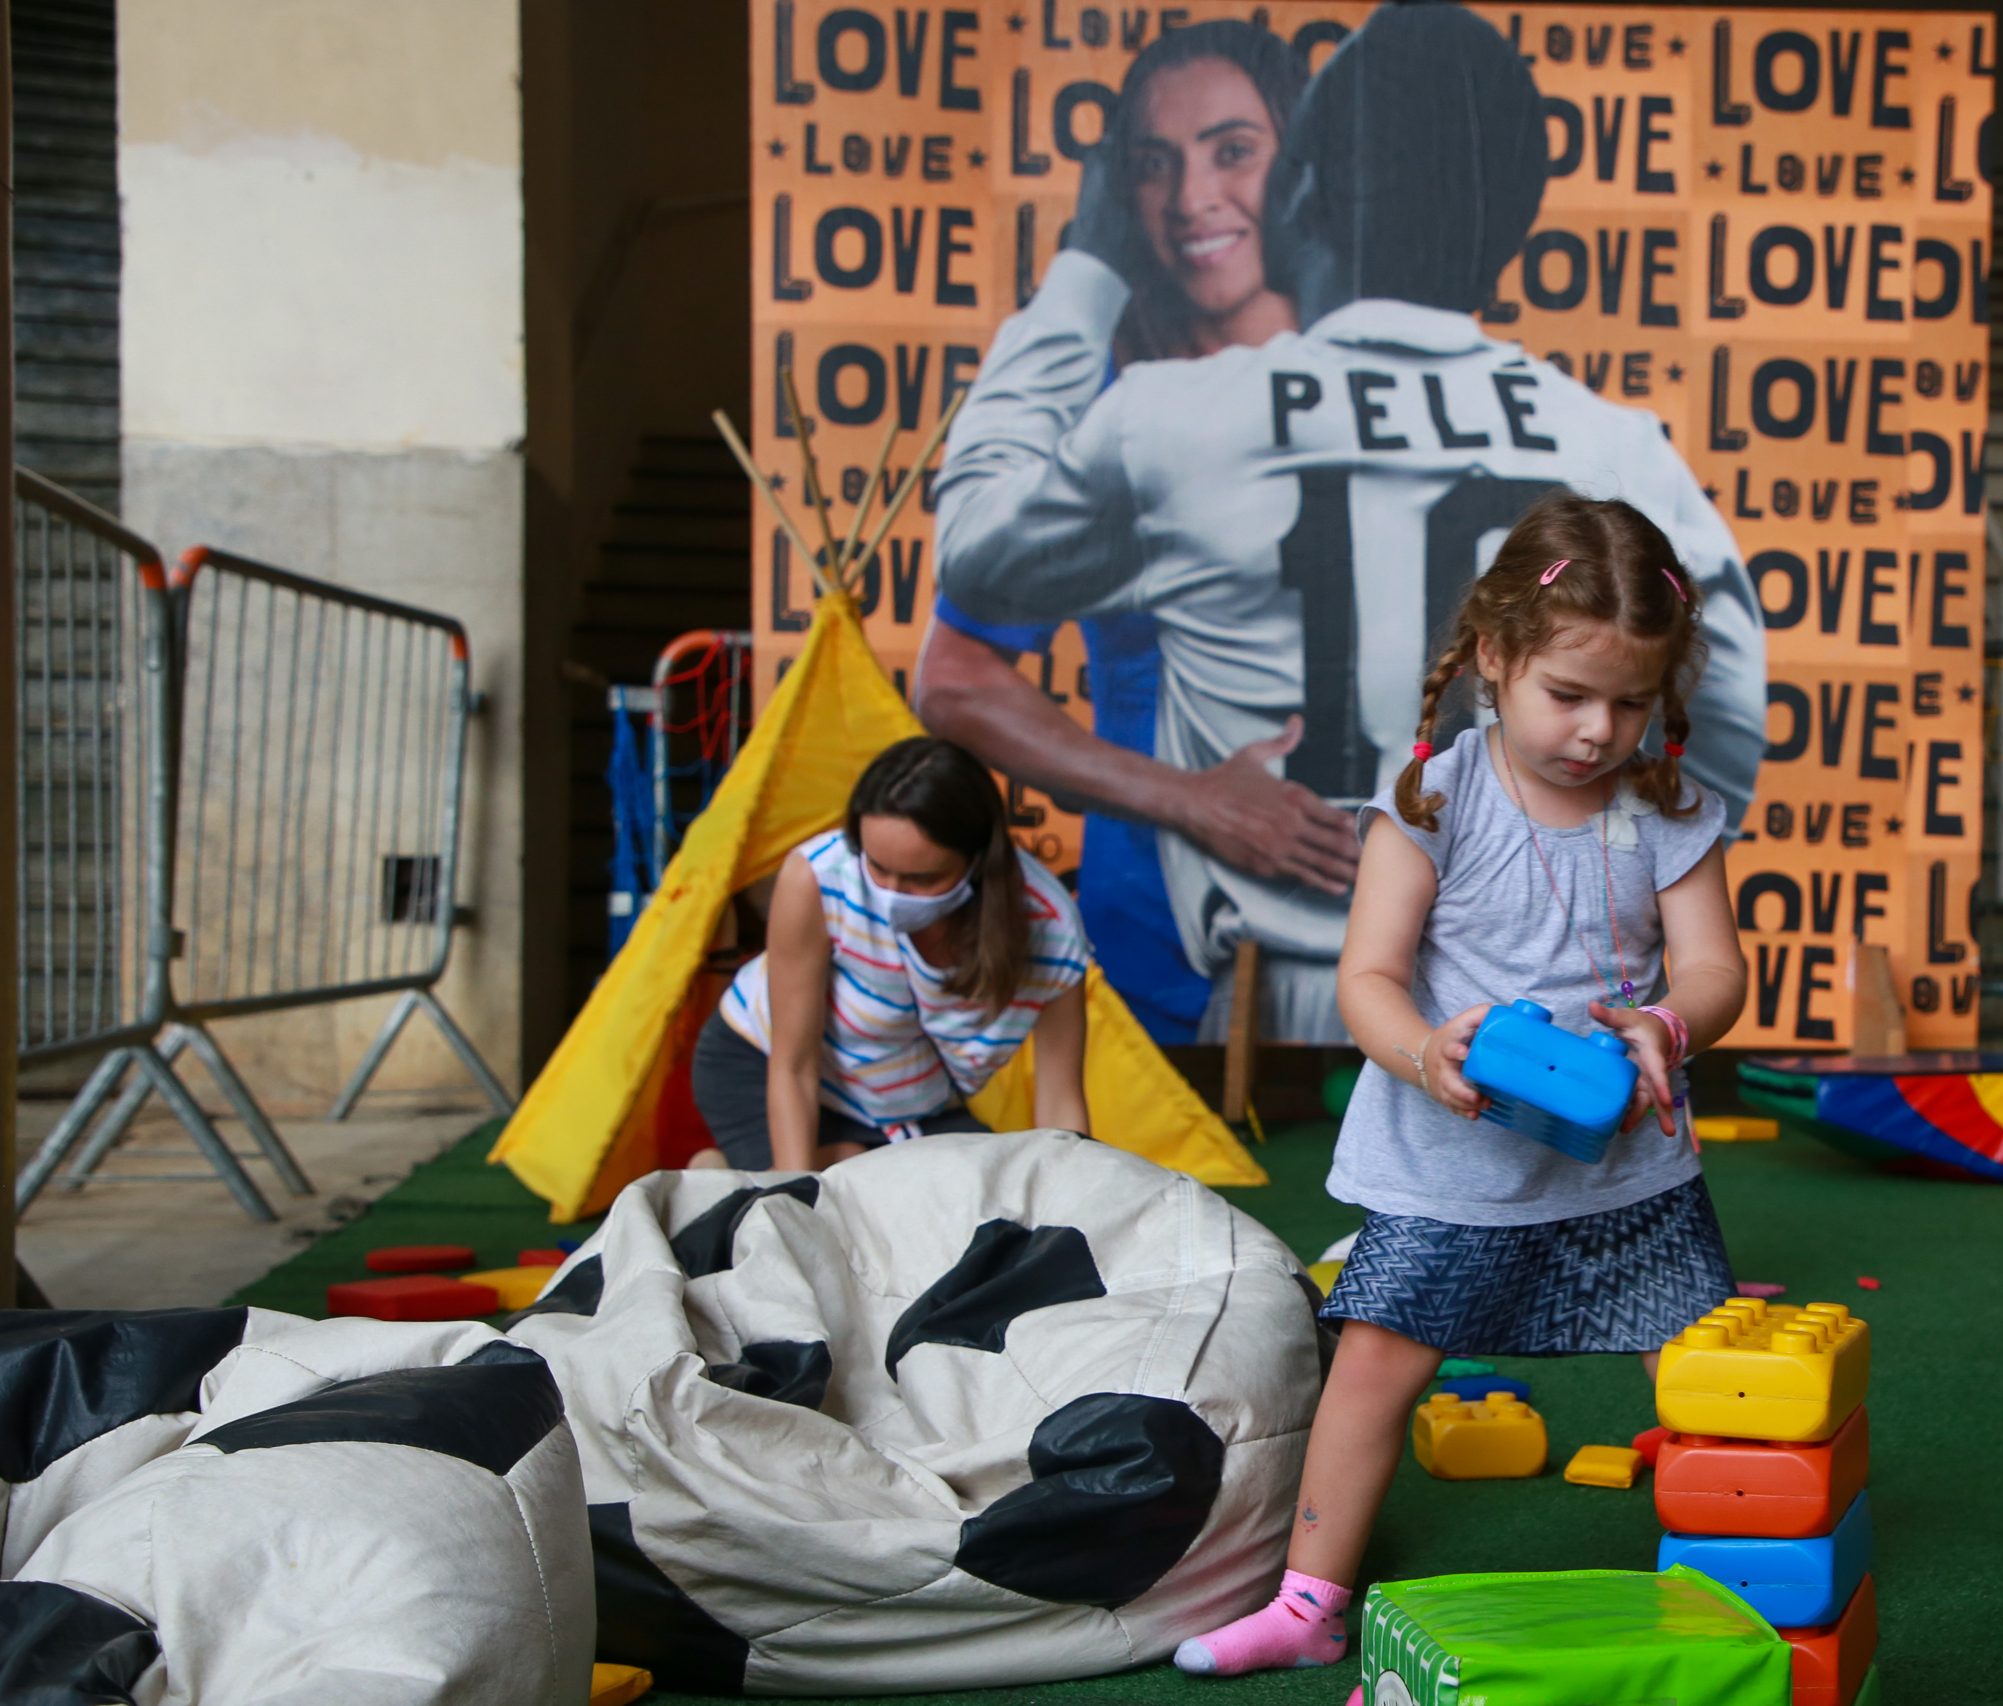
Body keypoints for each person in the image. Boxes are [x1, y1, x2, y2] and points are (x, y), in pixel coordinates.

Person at [934, 0, 1767, 1047]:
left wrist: (1085, 269)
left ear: (1304, 194)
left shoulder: (1172, 417)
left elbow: (971, 545)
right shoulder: (1618, 446)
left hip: (1267, 996)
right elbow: (1728, 712)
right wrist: (1574, 872)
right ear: (1511, 219)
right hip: (1523, 1002)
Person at [1172, 491, 1749, 1678]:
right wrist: (1423, 1051)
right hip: (1452, 1160)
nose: (1598, 731)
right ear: (1495, 656)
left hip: (1627, 1167)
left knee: (1700, 1374)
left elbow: (1713, 969)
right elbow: (1370, 977)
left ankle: (1743, 1580)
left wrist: (1668, 1022)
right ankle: (1309, 1599)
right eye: (1567, 695)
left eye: (1630, 702)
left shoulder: (1665, 806)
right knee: (1375, 1363)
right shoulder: (1434, 796)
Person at [913, 20, 1355, 1046]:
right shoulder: (1113, 417)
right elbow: (952, 677)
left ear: (1300, 171)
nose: (1192, 196)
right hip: (1168, 947)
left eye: (1232, 152)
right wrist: (1196, 800)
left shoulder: (1393, 394)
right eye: (1155, 166)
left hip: (1395, 951)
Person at [689, 737, 1091, 1170]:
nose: (891, 895)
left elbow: (1060, 1101)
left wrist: (1070, 1206)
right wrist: (797, 1195)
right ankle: (728, 1183)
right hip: (764, 1065)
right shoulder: (817, 876)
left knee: (982, 1188)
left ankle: (780, 1174)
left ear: (978, 860)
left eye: (922, 878)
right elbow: (793, 1067)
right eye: (876, 866)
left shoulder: (1052, 928)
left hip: (906, 1104)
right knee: (836, 1191)